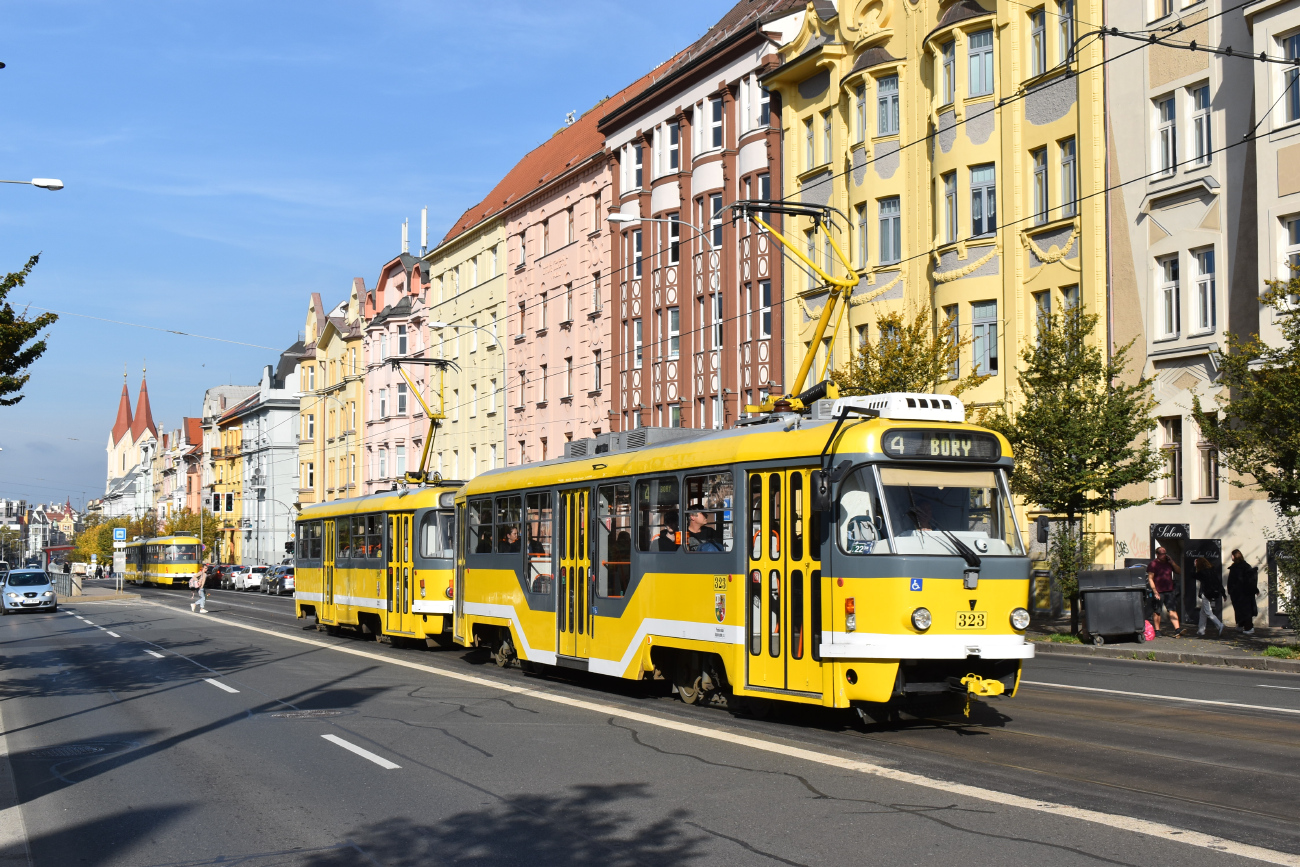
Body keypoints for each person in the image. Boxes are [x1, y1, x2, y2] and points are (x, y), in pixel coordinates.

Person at [1147, 546, 1181, 634]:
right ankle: (1157, 630)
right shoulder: (1153, 564)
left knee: (1172, 610)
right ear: (1157, 554)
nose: (1164, 555)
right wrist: (1155, 591)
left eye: (1165, 553)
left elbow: (1179, 571)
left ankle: (1177, 629)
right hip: (1158, 591)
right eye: (1162, 554)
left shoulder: (1169, 563)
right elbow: (1150, 578)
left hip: (1169, 590)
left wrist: (1172, 562)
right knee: (1157, 611)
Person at [1227, 548, 1259, 635]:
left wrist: (1231, 590)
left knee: (1244, 610)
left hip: (1241, 593)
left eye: (1232, 555)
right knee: (1241, 610)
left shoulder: (1238, 567)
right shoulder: (1245, 566)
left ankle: (1249, 627)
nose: (1231, 557)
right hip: (1242, 593)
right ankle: (1241, 625)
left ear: (1234, 556)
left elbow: (1238, 580)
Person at [1193, 556, 1225, 637]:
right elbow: (1218, 583)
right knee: (1202, 612)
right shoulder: (1212, 571)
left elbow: (1193, 575)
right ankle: (1201, 630)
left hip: (1206, 593)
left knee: (1208, 612)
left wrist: (1194, 567)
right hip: (1211, 593)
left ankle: (1219, 624)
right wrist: (1223, 593)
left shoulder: (1202, 572)